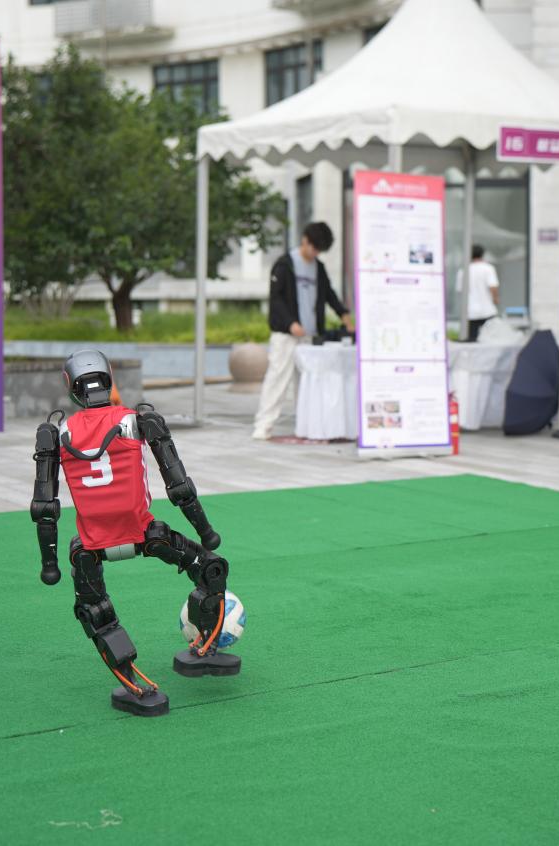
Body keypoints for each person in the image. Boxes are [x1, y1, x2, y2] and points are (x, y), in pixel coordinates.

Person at [30, 350, 233, 717]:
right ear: (109, 379)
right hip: (145, 533)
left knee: (96, 611)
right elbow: (179, 485)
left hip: (90, 545)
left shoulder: (59, 433)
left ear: (70, 386)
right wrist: (205, 532)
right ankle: (204, 649)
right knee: (210, 568)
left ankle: (135, 684)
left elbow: (45, 506)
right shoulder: (134, 421)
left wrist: (50, 563)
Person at [251, 221, 353, 441]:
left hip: (310, 336)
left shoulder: (319, 268)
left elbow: (329, 294)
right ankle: (263, 426)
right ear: (304, 240)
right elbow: (276, 299)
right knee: (278, 379)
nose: (315, 253)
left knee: (308, 383)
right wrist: (290, 323)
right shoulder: (285, 264)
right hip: (286, 335)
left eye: (319, 251)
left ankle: (307, 426)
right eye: (314, 248)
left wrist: (344, 314)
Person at [463, 244, 500, 341]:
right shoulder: (488, 268)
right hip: (488, 311)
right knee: (491, 341)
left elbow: (461, 292)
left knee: (472, 341)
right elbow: (493, 287)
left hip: (470, 312)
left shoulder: (463, 270)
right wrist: (496, 299)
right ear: (482, 254)